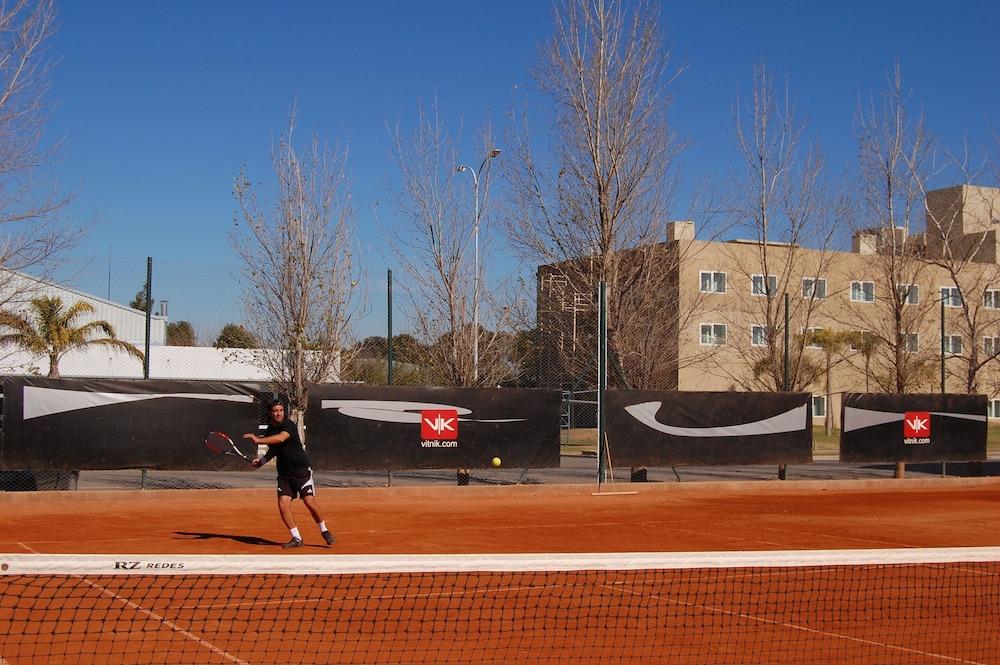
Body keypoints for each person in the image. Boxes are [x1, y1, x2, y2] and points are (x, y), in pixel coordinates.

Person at [244, 401, 335, 548]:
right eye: (275, 411)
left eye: (281, 410)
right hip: (284, 474)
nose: (279, 413)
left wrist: (258, 439)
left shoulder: (289, 425)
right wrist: (261, 462)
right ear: (270, 413)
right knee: (283, 504)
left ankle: (324, 530)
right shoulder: (270, 429)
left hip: (301, 471)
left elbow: (281, 438)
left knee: (309, 502)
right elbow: (274, 450)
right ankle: (296, 538)